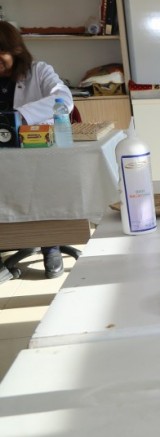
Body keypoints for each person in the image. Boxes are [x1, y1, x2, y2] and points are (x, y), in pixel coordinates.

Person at [0, 20, 74, 281]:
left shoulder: (39, 71)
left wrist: (19, 115)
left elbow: (64, 99)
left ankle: (50, 245)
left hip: (35, 151)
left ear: (16, 50)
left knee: (42, 187)